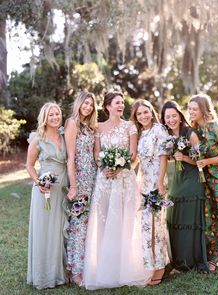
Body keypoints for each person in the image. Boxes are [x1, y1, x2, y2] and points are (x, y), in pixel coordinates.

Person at [84, 91, 152, 290]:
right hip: (104, 180)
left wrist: (120, 167)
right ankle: (105, 268)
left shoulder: (130, 126)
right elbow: (96, 153)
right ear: (107, 107)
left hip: (125, 180)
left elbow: (132, 154)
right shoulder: (98, 128)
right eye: (117, 103)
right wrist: (103, 165)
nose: (121, 106)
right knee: (104, 221)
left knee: (126, 221)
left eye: (122, 103)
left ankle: (127, 268)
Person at [160, 100, 209, 273]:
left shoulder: (190, 133)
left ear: (180, 117)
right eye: (168, 117)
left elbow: (202, 162)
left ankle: (190, 260)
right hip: (178, 180)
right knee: (174, 218)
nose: (171, 119)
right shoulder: (166, 137)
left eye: (174, 115)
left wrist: (184, 158)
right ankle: (178, 260)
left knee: (189, 220)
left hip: (193, 180)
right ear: (164, 120)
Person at [188, 94, 218, 271]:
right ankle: (209, 252)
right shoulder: (194, 130)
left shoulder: (216, 127)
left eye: (194, 109)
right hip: (206, 178)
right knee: (210, 214)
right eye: (189, 108)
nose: (191, 112)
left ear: (203, 109)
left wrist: (207, 162)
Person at [26, 102, 67, 289]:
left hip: (63, 189)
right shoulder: (37, 138)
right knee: (44, 232)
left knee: (58, 231)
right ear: (45, 117)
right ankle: (43, 275)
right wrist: (39, 182)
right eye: (51, 115)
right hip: (45, 190)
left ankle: (59, 273)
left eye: (57, 114)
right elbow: (29, 165)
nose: (55, 117)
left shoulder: (65, 135)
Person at [130, 99, 171, 285]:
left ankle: (161, 267)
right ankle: (151, 264)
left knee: (157, 225)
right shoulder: (142, 133)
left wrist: (160, 182)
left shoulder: (159, 130)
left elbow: (163, 157)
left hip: (157, 182)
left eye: (145, 112)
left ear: (151, 112)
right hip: (144, 183)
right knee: (147, 226)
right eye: (139, 114)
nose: (143, 116)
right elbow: (138, 160)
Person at [64, 91, 97, 285]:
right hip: (80, 180)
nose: (88, 107)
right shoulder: (72, 123)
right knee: (78, 225)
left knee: (89, 223)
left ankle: (88, 266)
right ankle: (75, 270)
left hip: (93, 178)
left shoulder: (91, 127)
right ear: (79, 104)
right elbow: (70, 157)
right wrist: (74, 185)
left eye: (91, 104)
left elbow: (94, 155)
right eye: (85, 103)